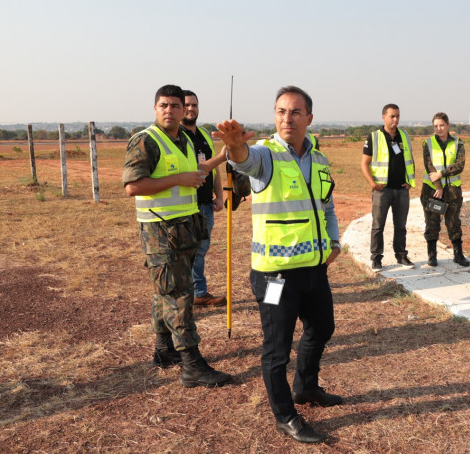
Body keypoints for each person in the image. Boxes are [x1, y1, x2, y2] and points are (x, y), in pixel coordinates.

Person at [213, 86, 342, 444]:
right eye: (281, 111)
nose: (288, 118)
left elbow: (326, 205)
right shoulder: (266, 156)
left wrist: (334, 241)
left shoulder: (317, 158)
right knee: (276, 348)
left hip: (313, 269)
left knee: (322, 328)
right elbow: (243, 160)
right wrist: (236, 145)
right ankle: (285, 415)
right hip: (275, 274)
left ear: (309, 119)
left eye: (296, 112)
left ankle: (305, 388)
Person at [122, 84, 232, 388]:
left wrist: (222, 157)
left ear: (184, 110)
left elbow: (196, 172)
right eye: (163, 105)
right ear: (155, 109)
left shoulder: (184, 139)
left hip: (183, 228)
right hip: (159, 230)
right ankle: (191, 364)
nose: (169, 110)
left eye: (175, 106)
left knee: (165, 292)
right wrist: (180, 179)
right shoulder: (146, 141)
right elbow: (132, 186)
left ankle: (163, 349)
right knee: (179, 296)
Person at [181, 90, 226, 307]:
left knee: (201, 250)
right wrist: (221, 157)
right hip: (185, 205)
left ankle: (197, 292)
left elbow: (213, 170)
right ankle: (192, 293)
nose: (191, 109)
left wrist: (219, 196)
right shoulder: (176, 136)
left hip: (206, 204)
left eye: (194, 105)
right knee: (188, 252)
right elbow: (197, 168)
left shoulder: (205, 134)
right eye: (187, 105)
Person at [360, 103, 416, 272]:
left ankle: (401, 255)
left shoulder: (404, 136)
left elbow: (410, 159)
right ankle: (376, 258)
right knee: (378, 226)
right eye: (392, 116)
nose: (395, 119)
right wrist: (372, 184)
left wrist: (410, 182)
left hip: (401, 190)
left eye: (397, 116)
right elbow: (364, 163)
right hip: (382, 190)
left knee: (401, 225)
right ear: (383, 117)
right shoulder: (374, 137)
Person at [421, 112, 470, 267]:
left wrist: (442, 174)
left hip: (453, 191)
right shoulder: (427, 143)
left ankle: (458, 254)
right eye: (436, 126)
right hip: (433, 191)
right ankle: (432, 255)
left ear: (448, 125)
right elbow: (429, 166)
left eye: (442, 125)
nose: (439, 128)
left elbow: (459, 165)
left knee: (453, 222)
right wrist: (439, 187)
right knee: (432, 222)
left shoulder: (457, 143)